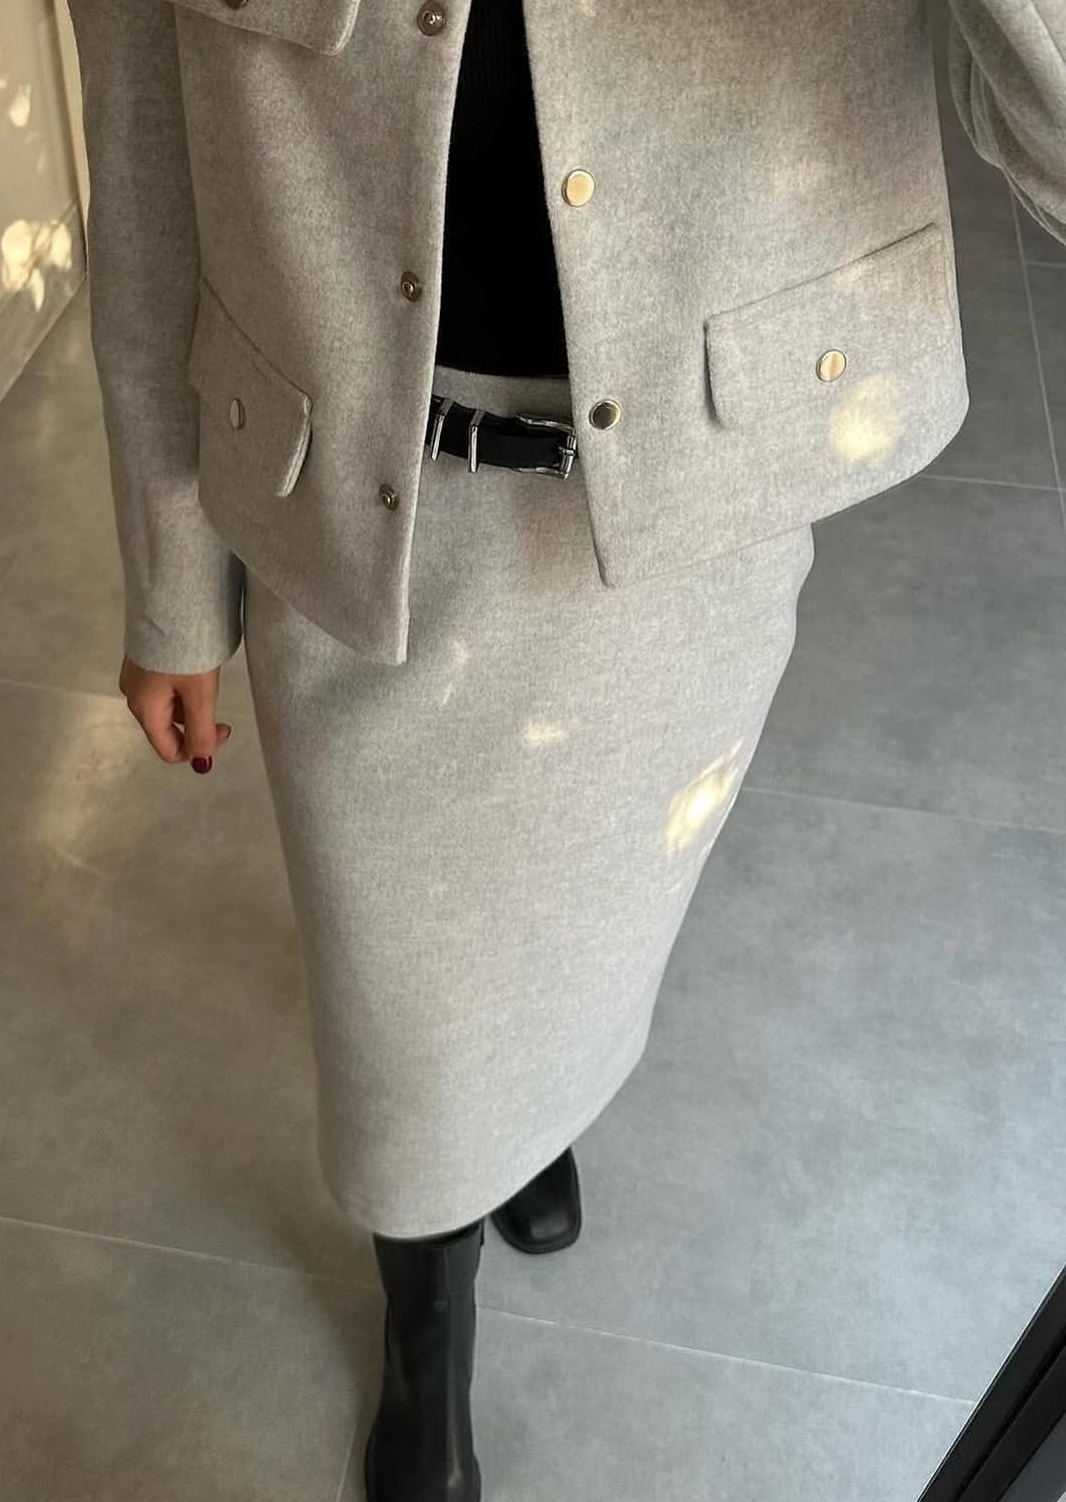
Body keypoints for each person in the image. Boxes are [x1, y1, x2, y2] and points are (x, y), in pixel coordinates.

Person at [65, 1, 1066, 1496]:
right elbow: (145, 166)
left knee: (601, 913)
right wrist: (169, 583)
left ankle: (531, 1118)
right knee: (400, 1016)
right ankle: (429, 1320)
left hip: (695, 492)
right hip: (363, 515)